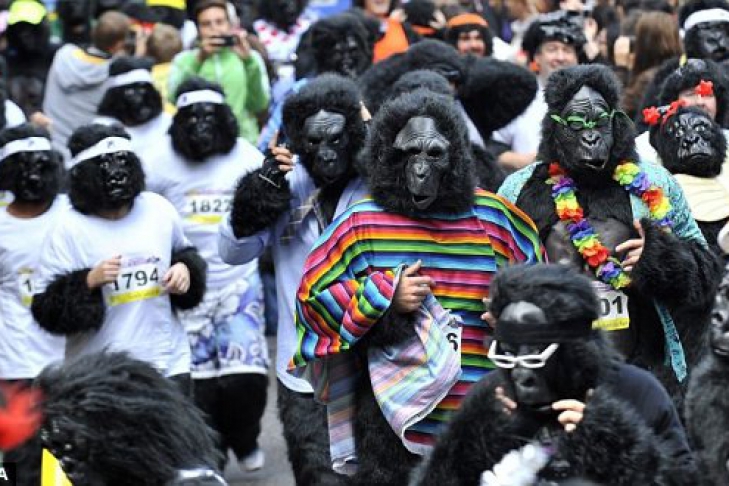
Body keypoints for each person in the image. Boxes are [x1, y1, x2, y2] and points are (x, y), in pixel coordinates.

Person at [289, 89, 544, 483]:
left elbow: (545, 294)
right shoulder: (361, 224)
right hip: (392, 425)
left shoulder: (495, 219)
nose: (421, 168)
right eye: (409, 153)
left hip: (485, 416)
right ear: (386, 156)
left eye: (434, 153)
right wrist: (383, 298)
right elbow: (311, 304)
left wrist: (513, 315)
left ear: (455, 158)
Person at [142, 77, 270, 473]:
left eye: (209, 116)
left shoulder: (247, 156)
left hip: (239, 284)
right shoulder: (157, 160)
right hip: (185, 288)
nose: (201, 125)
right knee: (201, 388)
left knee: (245, 379)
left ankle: (245, 437)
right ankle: (211, 456)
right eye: (192, 118)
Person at [31, 124, 206, 390]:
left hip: (167, 363)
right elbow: (45, 310)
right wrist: (88, 281)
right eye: (104, 165)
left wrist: (185, 269)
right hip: (97, 374)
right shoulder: (66, 227)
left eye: (122, 162)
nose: (116, 174)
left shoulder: (158, 210)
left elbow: (186, 255)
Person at [489, 10, 584, 171]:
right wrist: (522, 161)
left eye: (567, 50)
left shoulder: (591, 98)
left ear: (576, 58)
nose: (560, 57)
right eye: (552, 49)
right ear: (537, 57)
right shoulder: (519, 98)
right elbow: (492, 147)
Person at [168, 0, 270, 144]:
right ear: (198, 29)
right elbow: (174, 98)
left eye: (219, 22)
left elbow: (259, 104)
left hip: (243, 141)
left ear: (230, 25)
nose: (214, 28)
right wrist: (198, 60)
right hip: (198, 142)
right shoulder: (184, 60)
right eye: (206, 24)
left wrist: (249, 63)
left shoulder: (250, 57)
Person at [42, 10, 132, 163]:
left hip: (51, 149)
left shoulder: (63, 55)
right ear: (119, 44)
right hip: (83, 157)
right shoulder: (114, 79)